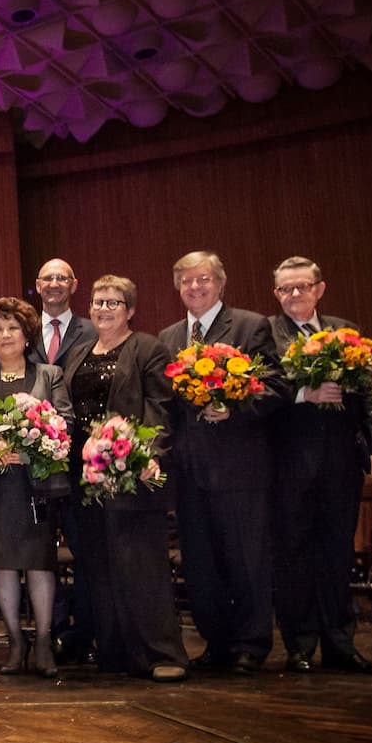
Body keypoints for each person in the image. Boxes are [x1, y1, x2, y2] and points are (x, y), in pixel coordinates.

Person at [156, 251, 288, 674]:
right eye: (187, 281)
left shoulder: (251, 325)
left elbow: (276, 386)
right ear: (177, 288)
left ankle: (252, 643)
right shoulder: (169, 337)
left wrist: (236, 406)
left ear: (220, 282)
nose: (195, 287)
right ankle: (216, 641)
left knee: (247, 558)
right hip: (190, 470)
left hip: (241, 467)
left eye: (204, 279)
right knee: (200, 562)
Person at [266, 257, 372, 675]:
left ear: (320, 288)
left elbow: (369, 391)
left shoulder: (344, 331)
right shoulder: (266, 333)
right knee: (292, 554)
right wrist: (304, 394)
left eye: (302, 287)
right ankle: (299, 645)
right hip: (286, 461)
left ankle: (341, 643)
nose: (294, 295)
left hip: (340, 458)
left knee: (338, 552)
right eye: (286, 289)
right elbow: (261, 391)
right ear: (276, 294)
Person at [67, 276, 190, 683]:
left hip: (130, 471)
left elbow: (159, 408)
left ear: (131, 309)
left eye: (114, 303)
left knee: (141, 566)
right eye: (98, 301)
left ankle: (160, 653)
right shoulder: (81, 352)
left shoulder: (148, 348)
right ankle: (116, 651)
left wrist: (144, 455)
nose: (104, 309)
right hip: (84, 476)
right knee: (99, 566)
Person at [0, 296, 73, 679]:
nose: (5, 335)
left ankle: (42, 642)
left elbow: (65, 419)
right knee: (3, 563)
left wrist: (31, 448)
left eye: (13, 329)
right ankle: (14, 642)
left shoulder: (49, 374)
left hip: (35, 482)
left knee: (39, 563)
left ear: (27, 336)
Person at [28, 258, 98, 663]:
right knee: (40, 553)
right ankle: (49, 630)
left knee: (84, 549)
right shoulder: (23, 328)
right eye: (47, 277)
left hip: (78, 459)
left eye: (62, 278)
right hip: (33, 463)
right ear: (37, 285)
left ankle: (83, 631)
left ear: (74, 284)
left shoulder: (93, 329)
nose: (54, 284)